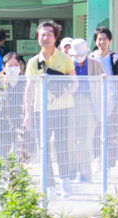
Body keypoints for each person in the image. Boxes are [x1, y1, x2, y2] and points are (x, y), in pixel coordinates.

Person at [22, 20, 78, 192]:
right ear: (38, 37)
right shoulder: (33, 62)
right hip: (41, 110)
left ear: (55, 38)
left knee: (62, 145)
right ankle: (49, 183)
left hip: (62, 109)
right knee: (43, 146)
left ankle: (65, 181)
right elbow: (29, 89)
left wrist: (65, 92)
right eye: (42, 34)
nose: (45, 37)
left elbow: (75, 83)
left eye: (49, 34)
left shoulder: (66, 59)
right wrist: (28, 114)